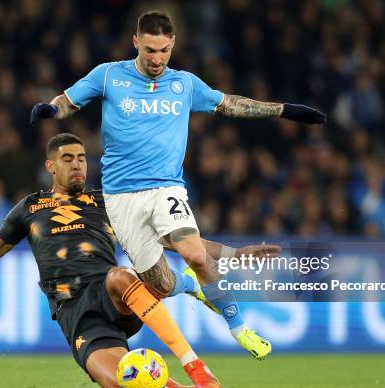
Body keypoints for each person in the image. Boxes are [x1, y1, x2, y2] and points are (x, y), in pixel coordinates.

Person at [29, 10, 306, 359]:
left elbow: (229, 104)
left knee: (194, 254)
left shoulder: (185, 84)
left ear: (172, 43)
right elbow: (68, 101)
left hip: (166, 188)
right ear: (136, 43)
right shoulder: (109, 76)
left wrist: (283, 110)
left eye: (163, 50)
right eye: (149, 50)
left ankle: (239, 328)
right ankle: (192, 285)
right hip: (120, 197)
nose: (157, 58)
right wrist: (51, 111)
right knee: (160, 284)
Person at [0, 133, 238, 388]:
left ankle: (197, 368)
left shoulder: (109, 202)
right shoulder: (29, 208)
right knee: (121, 387)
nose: (77, 165)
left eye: (82, 158)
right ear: (50, 166)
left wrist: (236, 254)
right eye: (68, 158)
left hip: (113, 293)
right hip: (74, 311)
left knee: (120, 275)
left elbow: (174, 240)